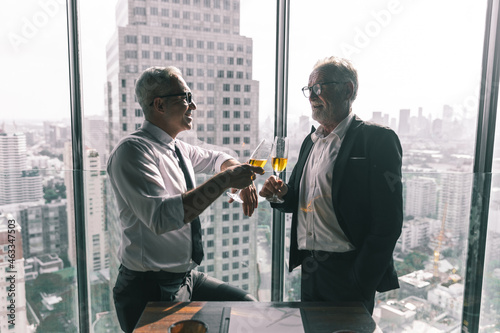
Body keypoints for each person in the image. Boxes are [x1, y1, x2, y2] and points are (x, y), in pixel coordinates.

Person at [107, 66, 264, 332]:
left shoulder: (177, 147)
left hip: (187, 278)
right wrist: (227, 180)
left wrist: (238, 176)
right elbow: (160, 218)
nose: (194, 105)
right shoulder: (133, 151)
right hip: (149, 288)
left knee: (247, 306)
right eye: (186, 96)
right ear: (159, 104)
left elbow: (217, 158)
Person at [259, 56, 403, 314]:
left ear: (347, 89)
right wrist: (280, 194)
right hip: (310, 268)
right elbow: (295, 200)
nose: (312, 96)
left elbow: (389, 222)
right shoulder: (310, 141)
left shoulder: (377, 139)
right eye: (309, 90)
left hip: (350, 270)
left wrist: (361, 278)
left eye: (319, 87)